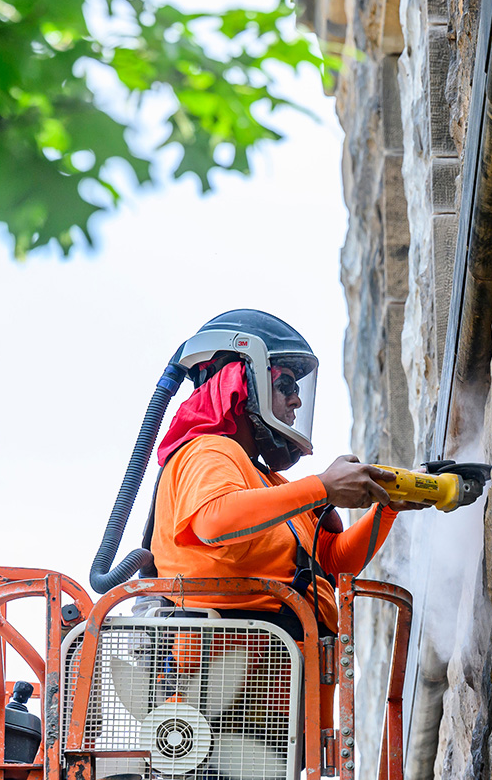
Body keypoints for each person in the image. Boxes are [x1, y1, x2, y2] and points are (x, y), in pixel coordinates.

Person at [141, 310, 424, 728]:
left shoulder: (269, 484)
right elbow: (214, 521)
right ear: (242, 381)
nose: (296, 401)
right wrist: (321, 487)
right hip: (223, 706)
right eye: (285, 386)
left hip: (276, 704)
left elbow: (331, 564)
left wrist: (388, 507)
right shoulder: (208, 451)